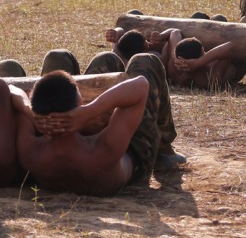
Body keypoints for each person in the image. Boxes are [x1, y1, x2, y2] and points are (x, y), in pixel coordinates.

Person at [13, 52, 183, 196]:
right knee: (145, 60)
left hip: (66, 148)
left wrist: (30, 112)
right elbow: (140, 86)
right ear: (80, 105)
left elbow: (12, 91)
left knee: (106, 58)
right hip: (134, 157)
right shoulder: (102, 149)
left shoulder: (30, 153)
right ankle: (164, 152)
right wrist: (88, 111)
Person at [150, 29, 246, 89]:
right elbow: (229, 47)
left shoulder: (174, 69)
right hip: (238, 66)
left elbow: (175, 32)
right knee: (219, 20)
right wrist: (199, 62)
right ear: (203, 52)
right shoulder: (210, 79)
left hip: (209, 58)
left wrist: (173, 56)